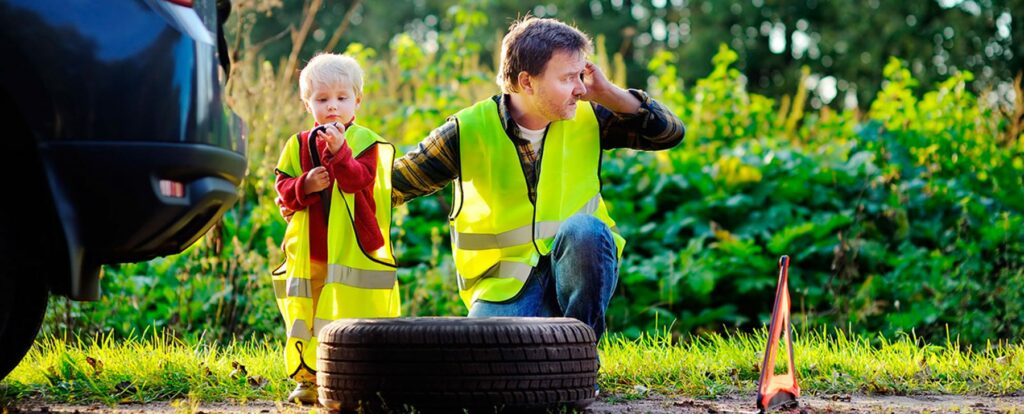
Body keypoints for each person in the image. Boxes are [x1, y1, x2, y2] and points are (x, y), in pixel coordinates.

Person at [391, 15, 685, 391]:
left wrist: (608, 92)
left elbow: (669, 133)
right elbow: (394, 184)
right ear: (526, 81)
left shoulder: (590, 115)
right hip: (504, 288)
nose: (579, 89)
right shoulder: (468, 130)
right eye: (568, 78)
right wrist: (317, 183)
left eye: (581, 76)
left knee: (586, 229)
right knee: (485, 378)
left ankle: (580, 362)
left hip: (576, 270)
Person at [272, 53, 400, 404]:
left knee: (348, 315)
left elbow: (359, 179)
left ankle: (355, 377)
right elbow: (282, 190)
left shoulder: (365, 142)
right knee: (307, 316)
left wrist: (341, 151)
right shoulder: (296, 145)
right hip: (310, 251)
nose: (332, 107)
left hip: (353, 249)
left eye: (342, 99)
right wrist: (304, 186)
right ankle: (307, 379)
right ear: (306, 103)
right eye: (322, 99)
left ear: (357, 100)